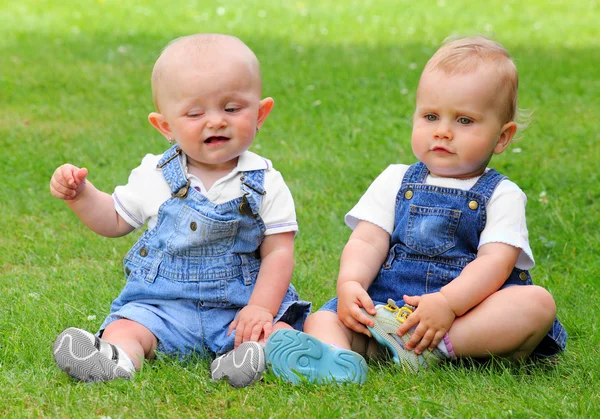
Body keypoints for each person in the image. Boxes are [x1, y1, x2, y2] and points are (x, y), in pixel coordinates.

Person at [264, 36, 567, 384]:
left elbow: (495, 263)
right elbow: (366, 242)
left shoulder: (502, 194)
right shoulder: (395, 179)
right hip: (387, 311)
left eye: (464, 121)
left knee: (536, 305)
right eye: (431, 116)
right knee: (324, 318)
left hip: (463, 315)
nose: (443, 131)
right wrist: (350, 283)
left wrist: (448, 304)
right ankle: (340, 362)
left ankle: (436, 347)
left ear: (502, 137)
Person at [49, 33, 310, 387]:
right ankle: (117, 359)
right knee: (127, 325)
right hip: (161, 308)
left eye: (232, 109)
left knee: (272, 331)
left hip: (237, 308)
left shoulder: (265, 180)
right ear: (165, 126)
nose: (216, 121)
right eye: (195, 113)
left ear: (260, 113)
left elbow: (279, 251)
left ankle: (242, 361)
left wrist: (260, 309)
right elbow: (113, 219)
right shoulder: (155, 174)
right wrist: (81, 195)